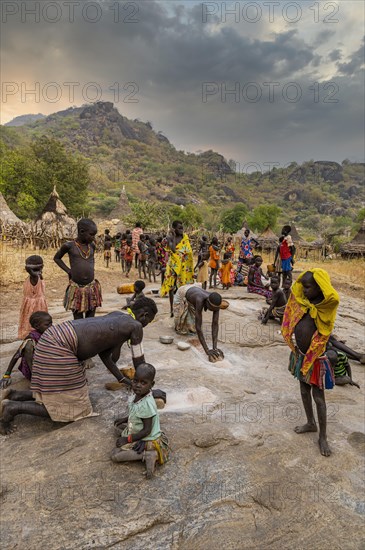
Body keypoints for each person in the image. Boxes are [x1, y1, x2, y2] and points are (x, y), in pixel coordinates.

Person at [0, 298, 158, 435]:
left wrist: (123, 379)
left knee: (61, 391)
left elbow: (105, 356)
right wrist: (149, 390)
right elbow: (140, 366)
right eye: (148, 321)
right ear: (144, 315)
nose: (145, 325)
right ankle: (13, 408)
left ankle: (16, 395)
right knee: (74, 408)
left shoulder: (117, 316)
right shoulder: (136, 326)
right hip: (60, 346)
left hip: (54, 336)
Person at [282, 269, 340, 456]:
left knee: (318, 397)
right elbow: (294, 295)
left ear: (319, 288)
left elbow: (334, 298)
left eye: (308, 287)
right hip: (301, 355)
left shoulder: (325, 307)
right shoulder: (302, 302)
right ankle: (310, 422)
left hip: (316, 358)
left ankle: (323, 437)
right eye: (304, 286)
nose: (304, 290)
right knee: (303, 391)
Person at [111, 363, 170, 478]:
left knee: (115, 455)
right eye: (135, 381)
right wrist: (125, 419)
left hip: (147, 437)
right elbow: (136, 413)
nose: (138, 385)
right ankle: (133, 442)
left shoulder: (146, 404)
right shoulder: (137, 394)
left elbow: (146, 431)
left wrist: (127, 439)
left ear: (151, 384)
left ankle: (147, 455)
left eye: (143, 383)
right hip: (139, 428)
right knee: (117, 429)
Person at [54, 218, 101, 320]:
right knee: (78, 319)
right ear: (82, 232)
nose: (93, 238)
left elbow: (90, 261)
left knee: (91, 319)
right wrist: (68, 270)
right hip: (76, 288)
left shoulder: (92, 246)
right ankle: (80, 335)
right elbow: (57, 258)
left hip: (91, 287)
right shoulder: (69, 246)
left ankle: (89, 335)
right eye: (91, 235)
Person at [173, 284, 227, 362]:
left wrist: (215, 348)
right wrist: (207, 350)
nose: (213, 310)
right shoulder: (199, 300)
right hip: (183, 292)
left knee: (191, 323)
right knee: (180, 320)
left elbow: (215, 324)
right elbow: (198, 327)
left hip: (195, 290)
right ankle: (180, 326)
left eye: (215, 309)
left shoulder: (216, 303)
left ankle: (187, 325)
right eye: (211, 308)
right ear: (207, 302)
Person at [1, 312, 52, 388]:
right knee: (28, 347)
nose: (51, 326)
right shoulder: (30, 339)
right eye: (47, 325)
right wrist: (7, 375)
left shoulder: (48, 334)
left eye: (51, 323)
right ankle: (35, 379)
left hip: (45, 366)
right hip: (34, 370)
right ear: (36, 326)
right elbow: (17, 355)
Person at [160, 221, 194, 317]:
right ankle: (172, 309)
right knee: (171, 287)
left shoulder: (185, 238)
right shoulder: (170, 237)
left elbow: (189, 251)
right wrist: (174, 236)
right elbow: (174, 250)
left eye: (182, 228)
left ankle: (182, 308)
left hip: (183, 266)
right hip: (173, 265)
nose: (181, 230)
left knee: (183, 287)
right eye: (179, 228)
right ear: (174, 229)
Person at [18, 255, 48, 340]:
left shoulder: (35, 277)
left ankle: (33, 339)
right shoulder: (35, 276)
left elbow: (32, 271)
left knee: (33, 323)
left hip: (34, 306)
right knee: (37, 323)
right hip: (36, 305)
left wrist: (29, 268)